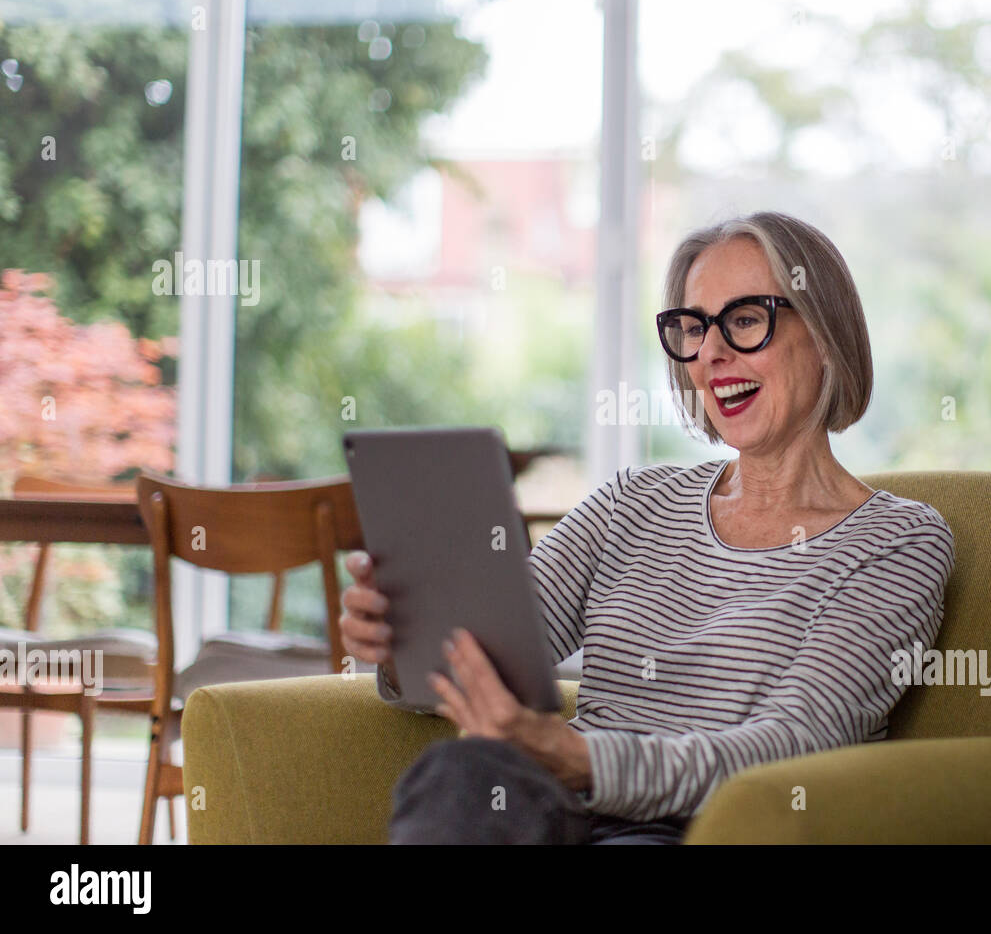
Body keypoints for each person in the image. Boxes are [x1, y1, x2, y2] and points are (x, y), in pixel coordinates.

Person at [340, 210, 956, 844]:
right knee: (458, 774)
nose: (712, 354)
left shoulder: (896, 544)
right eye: (693, 328)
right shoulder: (634, 501)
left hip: (698, 830)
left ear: (826, 334)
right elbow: (499, 643)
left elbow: (797, 748)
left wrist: (579, 760)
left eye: (745, 320)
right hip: (547, 813)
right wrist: (404, 638)